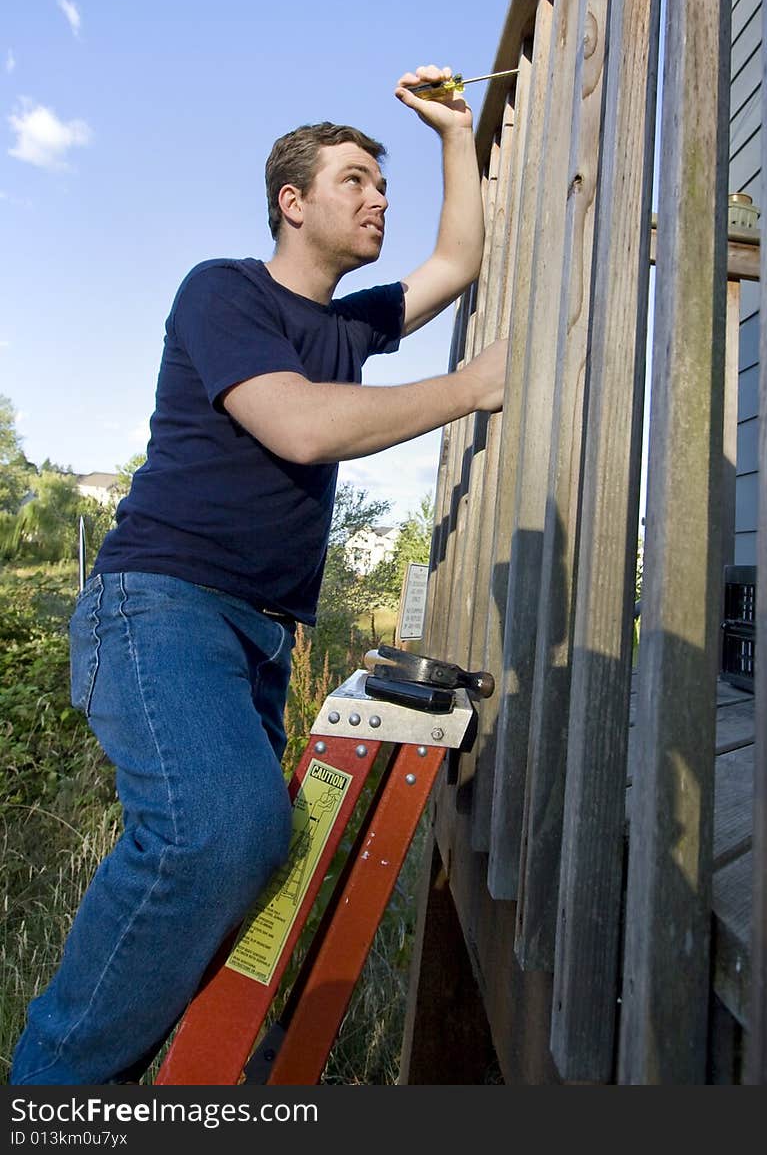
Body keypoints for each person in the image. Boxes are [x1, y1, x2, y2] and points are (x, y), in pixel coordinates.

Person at [11, 64, 506, 1085]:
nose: (378, 198)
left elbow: (456, 258)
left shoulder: (352, 325)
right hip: (160, 604)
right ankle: (52, 1093)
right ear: (293, 200)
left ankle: (162, 1077)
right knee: (219, 835)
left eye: (382, 183)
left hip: (258, 632)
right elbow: (297, 422)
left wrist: (454, 131)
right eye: (356, 181)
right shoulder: (224, 290)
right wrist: (463, 388)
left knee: (247, 856)